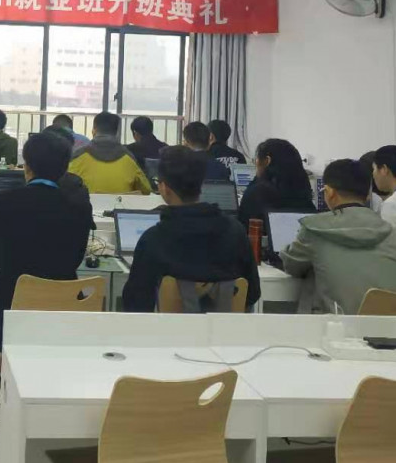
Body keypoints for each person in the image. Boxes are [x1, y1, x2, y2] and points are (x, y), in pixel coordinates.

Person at [0, 131, 93, 380]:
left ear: (26, 166)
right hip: (65, 310)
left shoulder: (0, 203)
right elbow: (75, 259)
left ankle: (8, 378)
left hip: (12, 305)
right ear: (65, 169)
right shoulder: (80, 208)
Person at [123, 146, 259, 313]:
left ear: (164, 188)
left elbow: (135, 304)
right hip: (225, 328)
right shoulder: (235, 232)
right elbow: (252, 294)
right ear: (201, 185)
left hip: (169, 329)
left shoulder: (153, 240)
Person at [281, 159, 396, 314]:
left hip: (336, 326)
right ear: (368, 195)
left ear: (329, 192)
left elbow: (291, 265)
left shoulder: (314, 230)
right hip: (393, 326)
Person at [237, 138, 315, 232]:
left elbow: (242, 226)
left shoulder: (257, 193)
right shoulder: (304, 190)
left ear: (267, 161)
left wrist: (258, 177)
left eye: (256, 160)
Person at [68, 112, 151, 195]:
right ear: (116, 133)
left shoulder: (78, 156)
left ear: (94, 130)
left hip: (87, 202)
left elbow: (65, 183)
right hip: (120, 203)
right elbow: (146, 189)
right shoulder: (128, 158)